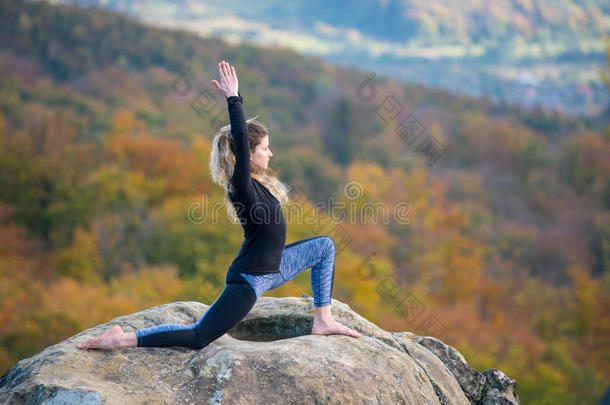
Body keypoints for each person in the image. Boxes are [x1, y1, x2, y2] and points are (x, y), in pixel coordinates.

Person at [77, 60, 361, 351]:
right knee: (200, 337)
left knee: (325, 246)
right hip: (248, 281)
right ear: (248, 155)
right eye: (265, 148)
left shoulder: (258, 182)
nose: (271, 153)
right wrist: (233, 97)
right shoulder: (242, 187)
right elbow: (239, 136)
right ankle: (121, 339)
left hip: (275, 268)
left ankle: (323, 320)